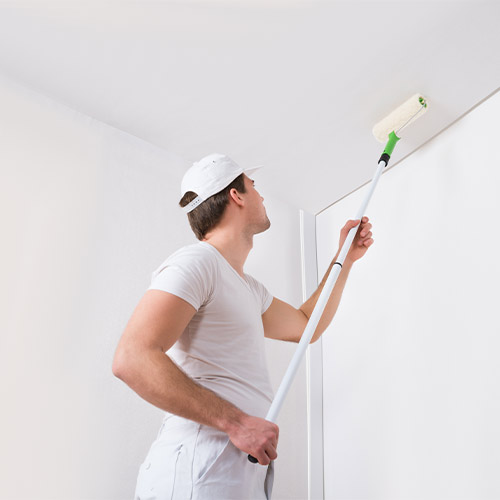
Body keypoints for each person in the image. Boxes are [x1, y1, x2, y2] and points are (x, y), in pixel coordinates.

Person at [112, 153, 374, 499]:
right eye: (253, 186)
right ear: (236, 195)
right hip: (196, 470)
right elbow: (132, 357)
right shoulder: (197, 263)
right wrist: (236, 423)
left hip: (235, 473)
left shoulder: (248, 288)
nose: (261, 196)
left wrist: (344, 258)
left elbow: (306, 326)